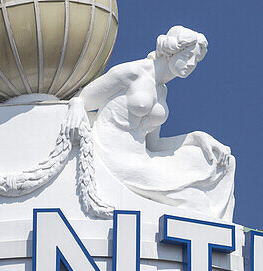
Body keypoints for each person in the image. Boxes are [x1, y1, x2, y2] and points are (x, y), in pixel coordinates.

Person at [65, 26, 235, 220]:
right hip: (114, 156)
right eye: (187, 55)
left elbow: (153, 145)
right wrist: (76, 108)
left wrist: (198, 138)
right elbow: (83, 99)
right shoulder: (132, 73)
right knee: (196, 201)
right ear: (172, 51)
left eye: (195, 60)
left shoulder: (161, 91)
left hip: (141, 158)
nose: (191, 64)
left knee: (220, 165)